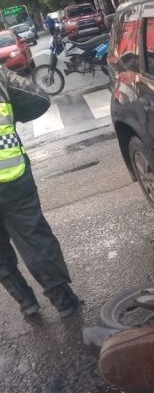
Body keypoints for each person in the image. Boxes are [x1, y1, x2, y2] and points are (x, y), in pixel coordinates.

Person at [0, 68, 80, 318]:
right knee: (34, 237)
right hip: (11, 175)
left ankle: (26, 302)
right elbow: (39, 98)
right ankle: (63, 300)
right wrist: (12, 116)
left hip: (11, 174)